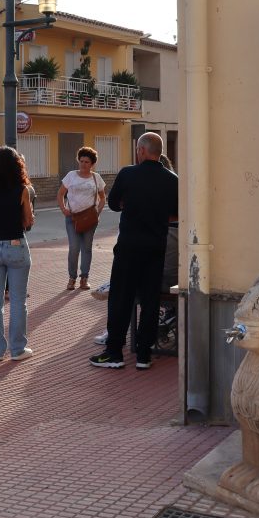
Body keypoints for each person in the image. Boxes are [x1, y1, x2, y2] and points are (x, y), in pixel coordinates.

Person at [90, 132, 178, 370]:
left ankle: (114, 353)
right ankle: (144, 354)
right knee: (150, 300)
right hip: (155, 247)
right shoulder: (172, 179)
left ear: (141, 150)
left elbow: (113, 204)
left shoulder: (128, 173)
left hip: (129, 246)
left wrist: (132, 205)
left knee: (121, 299)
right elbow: (177, 213)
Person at [0, 146, 36, 362]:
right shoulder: (22, 189)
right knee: (18, 301)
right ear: (16, 166)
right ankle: (18, 349)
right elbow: (28, 221)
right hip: (15, 245)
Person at [57, 146, 106, 291]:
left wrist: (97, 212)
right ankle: (72, 278)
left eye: (86, 162)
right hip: (73, 218)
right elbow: (60, 194)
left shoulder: (96, 178)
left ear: (92, 164)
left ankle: (84, 278)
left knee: (87, 248)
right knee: (74, 247)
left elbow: (103, 198)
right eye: (81, 161)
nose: (83, 164)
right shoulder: (71, 175)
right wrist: (63, 209)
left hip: (90, 218)